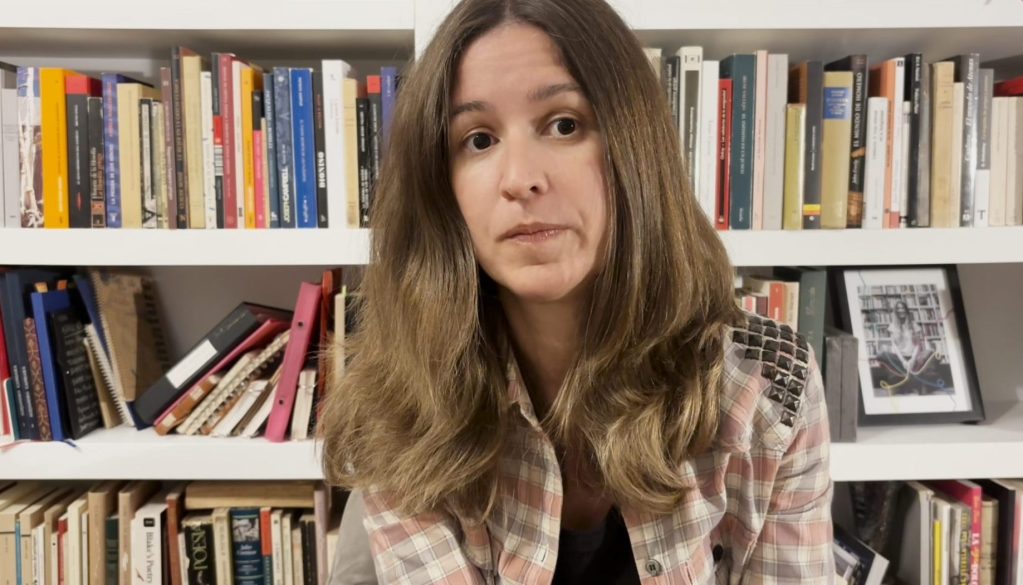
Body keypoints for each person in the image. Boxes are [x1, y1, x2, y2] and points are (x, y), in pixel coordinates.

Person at [318, 0, 835, 582]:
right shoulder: (401, 398)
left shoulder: (769, 387)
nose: (520, 179)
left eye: (564, 124)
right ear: (443, 187)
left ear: (634, 148)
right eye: (479, 139)